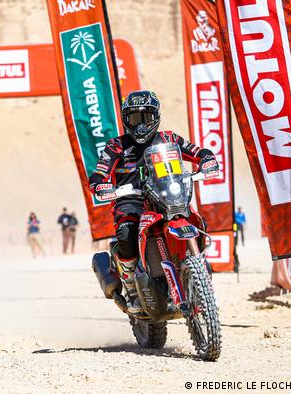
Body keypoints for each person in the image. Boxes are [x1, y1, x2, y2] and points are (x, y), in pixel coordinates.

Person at [89, 90, 219, 313]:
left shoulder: (169, 139)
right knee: (126, 232)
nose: (140, 125)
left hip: (166, 195)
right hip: (131, 200)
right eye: (134, 118)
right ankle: (130, 287)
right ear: (125, 119)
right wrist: (101, 184)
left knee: (197, 220)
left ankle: (196, 271)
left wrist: (206, 159)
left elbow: (197, 151)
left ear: (156, 117)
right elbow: (100, 172)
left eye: (146, 117)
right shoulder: (116, 146)